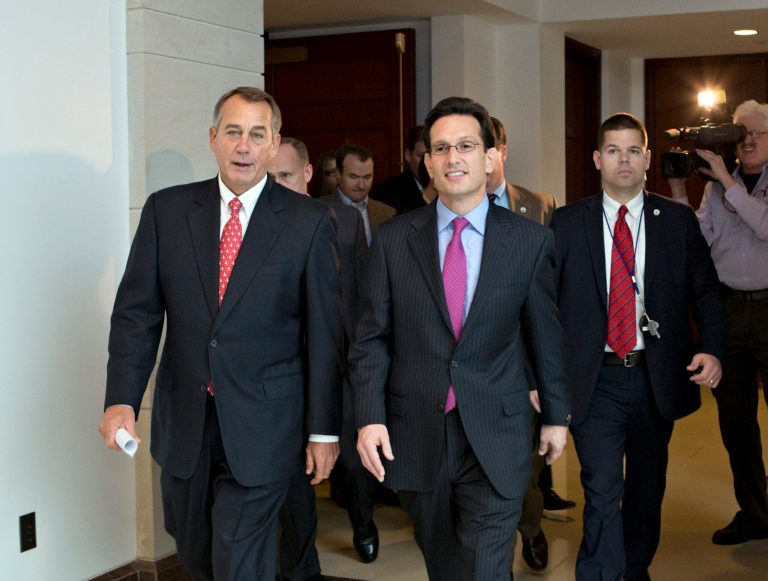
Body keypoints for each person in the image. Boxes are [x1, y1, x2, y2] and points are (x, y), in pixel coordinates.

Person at [98, 87, 343, 581]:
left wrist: (323, 429)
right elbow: (137, 315)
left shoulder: (309, 222)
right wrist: (121, 398)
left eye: (257, 134)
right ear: (213, 138)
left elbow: (324, 335)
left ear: (274, 145)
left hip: (268, 427)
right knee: (195, 552)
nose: (244, 146)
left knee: (240, 558)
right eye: (233, 132)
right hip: (186, 423)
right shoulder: (166, 211)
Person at [351, 96, 571, 580]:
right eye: (441, 148)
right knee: (446, 565)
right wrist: (368, 417)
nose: (454, 158)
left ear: (491, 157)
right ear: (426, 162)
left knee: (484, 565)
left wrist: (556, 414)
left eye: (467, 146)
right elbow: (371, 338)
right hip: (418, 430)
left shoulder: (529, 241)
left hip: (498, 429)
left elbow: (544, 335)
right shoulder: (393, 240)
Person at [550, 112, 725, 581]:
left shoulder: (678, 221)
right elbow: (544, 305)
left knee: (646, 490)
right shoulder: (567, 223)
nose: (623, 160)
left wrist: (711, 348)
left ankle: (634, 568)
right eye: (613, 150)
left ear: (647, 158)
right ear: (596, 159)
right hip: (595, 379)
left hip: (655, 377)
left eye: (632, 150)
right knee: (602, 489)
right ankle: (599, 575)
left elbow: (705, 290)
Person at [668, 99, 768, 545]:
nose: (745, 141)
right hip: (730, 310)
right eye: (738, 134)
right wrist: (676, 191)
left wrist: (727, 180)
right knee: (734, 419)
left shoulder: (726, 183)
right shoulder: (714, 188)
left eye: (755, 134)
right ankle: (755, 513)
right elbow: (698, 239)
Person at [269, 137, 367, 579]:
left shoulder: (342, 220)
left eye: (285, 176)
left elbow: (361, 297)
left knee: (347, 461)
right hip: (277, 378)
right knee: (290, 486)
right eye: (270, 177)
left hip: (336, 365)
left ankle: (363, 523)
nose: (275, 185)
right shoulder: (252, 222)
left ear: (308, 173)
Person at [486, 116, 571, 577]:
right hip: (477, 362)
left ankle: (531, 528)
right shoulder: (445, 210)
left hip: (527, 364)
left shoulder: (540, 206)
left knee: (523, 468)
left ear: (501, 150)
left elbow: (552, 298)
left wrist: (544, 376)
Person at [320, 142, 396, 245]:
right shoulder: (319, 209)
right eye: (353, 177)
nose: (361, 185)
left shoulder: (388, 214)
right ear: (338, 174)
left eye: (367, 177)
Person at [370, 125, 428, 212]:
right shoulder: (386, 193)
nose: (426, 162)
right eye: (421, 156)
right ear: (408, 155)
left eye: (431, 156)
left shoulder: (448, 188)